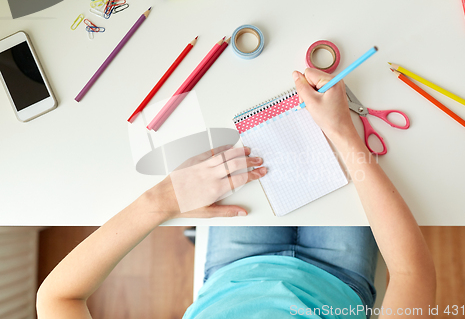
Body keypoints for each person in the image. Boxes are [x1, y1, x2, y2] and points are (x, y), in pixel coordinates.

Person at [36, 68, 436, 319]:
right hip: (339, 279)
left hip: (236, 270)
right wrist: (343, 133)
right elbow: (412, 275)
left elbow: (56, 299)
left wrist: (165, 199)